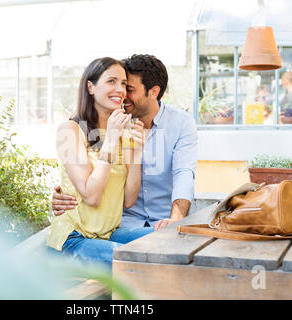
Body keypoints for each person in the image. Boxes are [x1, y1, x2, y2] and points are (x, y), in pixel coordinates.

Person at [51, 54, 198, 232]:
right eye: (117, 84)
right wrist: (66, 192)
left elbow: (184, 173)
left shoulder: (181, 123)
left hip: (162, 221)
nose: (122, 94)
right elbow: (88, 176)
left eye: (127, 87)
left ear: (153, 92)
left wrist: (176, 219)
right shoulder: (110, 122)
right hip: (121, 223)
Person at [45, 57, 154, 268]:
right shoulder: (70, 130)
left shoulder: (122, 131)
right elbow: (92, 196)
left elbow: (129, 199)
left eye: (123, 83)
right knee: (138, 263)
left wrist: (138, 150)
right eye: (111, 81)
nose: (120, 89)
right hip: (74, 240)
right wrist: (111, 140)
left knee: (166, 240)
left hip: (108, 235)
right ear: (90, 87)